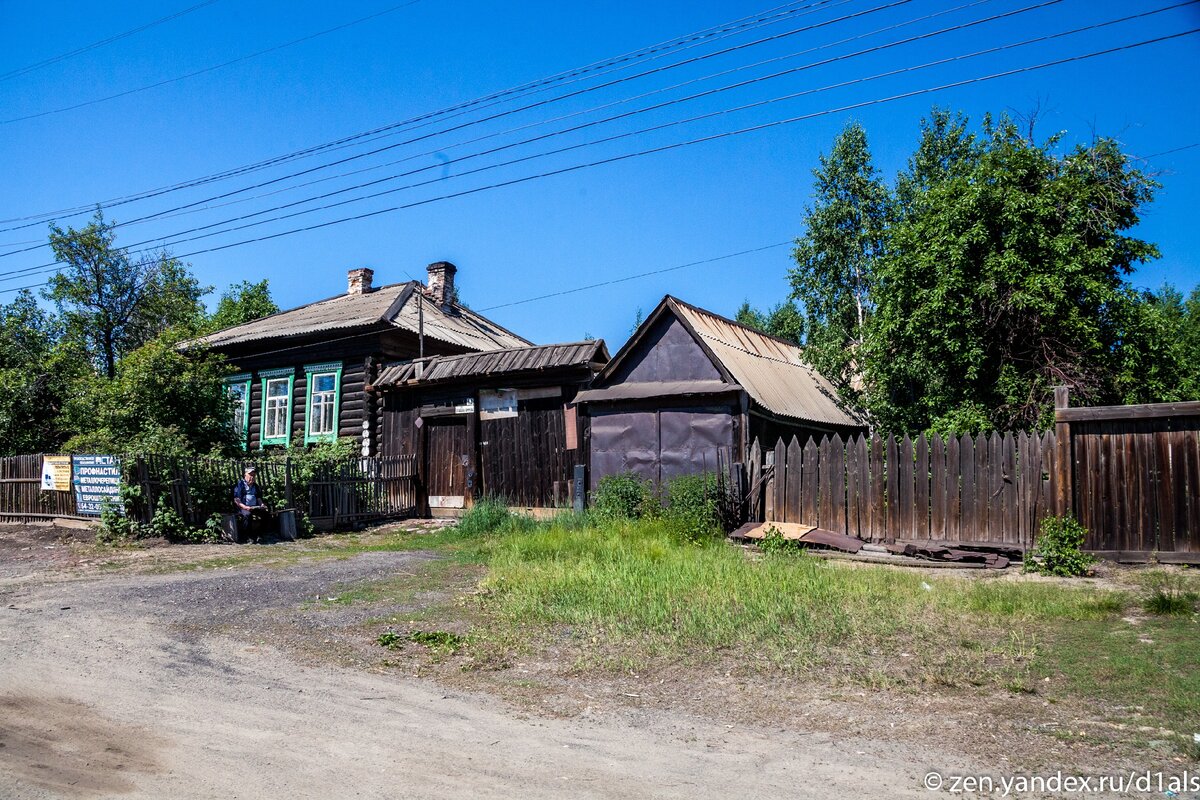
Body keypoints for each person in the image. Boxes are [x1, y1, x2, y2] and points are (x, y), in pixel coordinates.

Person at [233, 466, 270, 539]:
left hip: (254, 507)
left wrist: (261, 505)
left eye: (254, 475)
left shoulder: (255, 486)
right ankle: (247, 536)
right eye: (250, 475)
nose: (252, 477)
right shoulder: (240, 485)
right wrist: (245, 507)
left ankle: (260, 534)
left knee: (265, 513)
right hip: (242, 507)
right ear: (245, 475)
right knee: (247, 515)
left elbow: (258, 498)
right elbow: (236, 500)